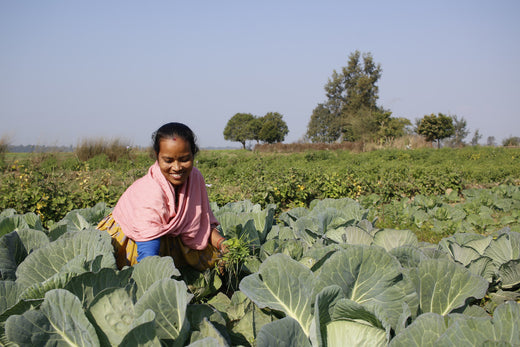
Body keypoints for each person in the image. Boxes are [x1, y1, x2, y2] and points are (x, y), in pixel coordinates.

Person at [97, 122, 227, 270]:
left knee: (219, 262)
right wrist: (150, 275)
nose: (177, 167)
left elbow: (202, 224)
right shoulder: (150, 191)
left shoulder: (195, 178)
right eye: (168, 160)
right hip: (133, 241)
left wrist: (223, 244)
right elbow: (147, 248)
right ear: (157, 157)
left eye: (184, 159)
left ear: (193, 155)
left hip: (167, 237)